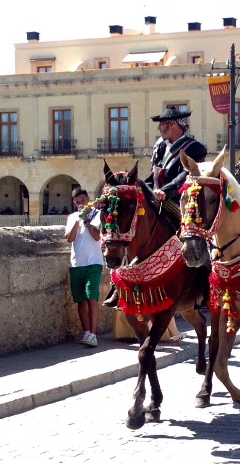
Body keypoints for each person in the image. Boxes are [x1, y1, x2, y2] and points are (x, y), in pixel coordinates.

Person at [103, 106, 210, 309]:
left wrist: (166, 191)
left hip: (179, 199)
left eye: (164, 124)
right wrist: (139, 187)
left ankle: (204, 284)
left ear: (175, 125)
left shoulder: (195, 148)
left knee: (193, 235)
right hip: (156, 196)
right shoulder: (160, 147)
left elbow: (184, 176)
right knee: (130, 228)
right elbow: (153, 175)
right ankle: (119, 286)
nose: (160, 128)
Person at [65, 187, 104, 347]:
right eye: (77, 202)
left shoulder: (97, 214)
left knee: (91, 298)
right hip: (77, 263)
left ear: (88, 199)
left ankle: (93, 334)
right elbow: (69, 238)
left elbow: (96, 236)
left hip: (93, 262)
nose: (80, 204)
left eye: (83, 201)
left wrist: (87, 220)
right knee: (81, 300)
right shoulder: (72, 217)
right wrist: (78, 220)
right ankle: (86, 332)